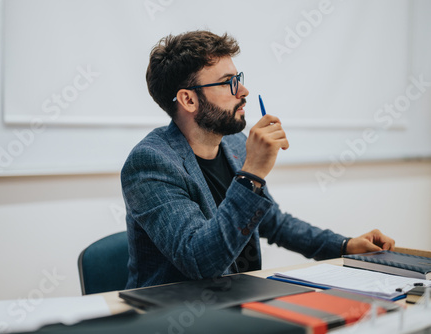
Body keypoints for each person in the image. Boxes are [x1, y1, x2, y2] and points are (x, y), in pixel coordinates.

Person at [120, 30, 395, 289]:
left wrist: (345, 245)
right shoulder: (150, 163)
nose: (243, 91)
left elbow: (273, 222)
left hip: (240, 299)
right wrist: (252, 174)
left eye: (238, 78)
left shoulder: (234, 143)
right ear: (188, 100)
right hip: (175, 315)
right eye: (229, 83)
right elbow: (200, 262)